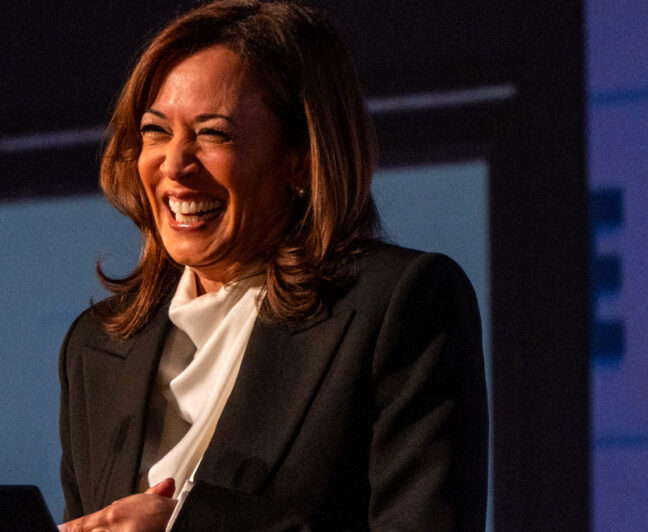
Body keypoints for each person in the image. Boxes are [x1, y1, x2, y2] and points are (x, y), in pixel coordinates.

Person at [57, 1, 488, 530]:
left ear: (301, 156)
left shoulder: (400, 306)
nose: (174, 164)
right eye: (155, 131)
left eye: (213, 134)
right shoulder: (95, 346)